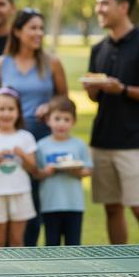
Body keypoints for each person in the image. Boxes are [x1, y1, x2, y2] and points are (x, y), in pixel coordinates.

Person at [83, 0, 139, 245]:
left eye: (104, 3)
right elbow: (94, 97)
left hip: (134, 141)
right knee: (112, 207)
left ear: (123, 7)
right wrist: (93, 88)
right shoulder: (98, 49)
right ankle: (122, 265)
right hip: (103, 139)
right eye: (98, 3)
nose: (99, 9)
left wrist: (123, 89)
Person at [0, 8, 67, 246]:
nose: (39, 33)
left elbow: (64, 99)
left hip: (39, 140)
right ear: (18, 31)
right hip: (5, 140)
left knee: (32, 200)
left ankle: (29, 253)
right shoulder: (0, 65)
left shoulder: (52, 63)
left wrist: (50, 105)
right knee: (0, 194)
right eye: (33, 28)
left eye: (41, 28)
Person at [35, 96, 93, 246]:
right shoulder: (42, 145)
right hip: (50, 204)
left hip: (74, 204)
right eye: (57, 118)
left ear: (73, 122)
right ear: (48, 120)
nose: (61, 123)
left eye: (66, 119)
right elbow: (37, 173)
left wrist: (76, 171)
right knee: (51, 245)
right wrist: (46, 171)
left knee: (73, 245)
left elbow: (88, 169)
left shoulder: (78, 145)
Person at [0, 87, 38, 247]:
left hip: (20, 191)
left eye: (11, 109)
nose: (6, 114)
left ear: (18, 112)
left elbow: (33, 169)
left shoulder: (25, 137)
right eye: (1, 109)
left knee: (17, 240)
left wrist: (22, 155)